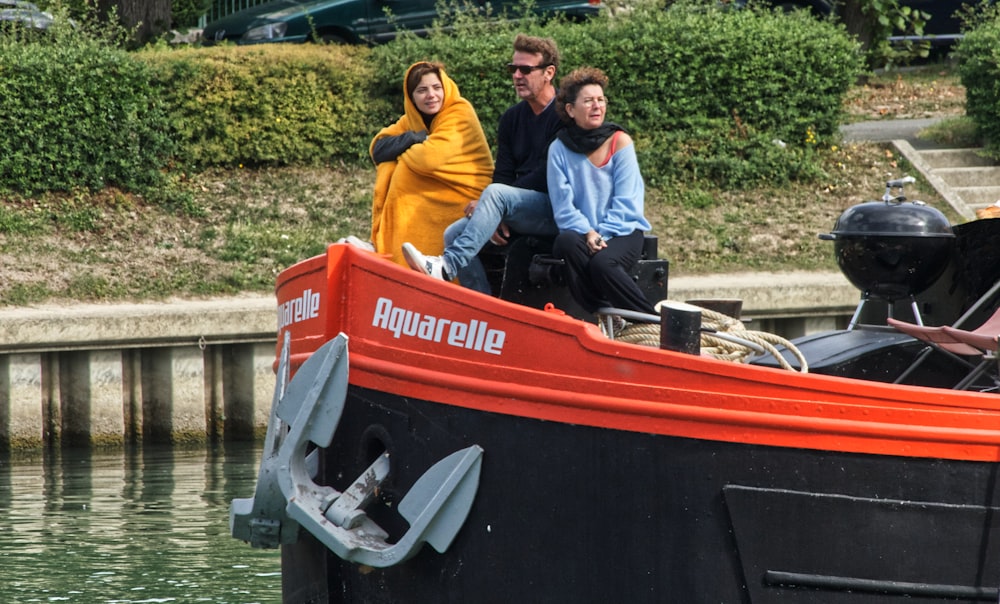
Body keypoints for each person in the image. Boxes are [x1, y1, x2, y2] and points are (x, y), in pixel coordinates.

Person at [402, 34, 563, 292]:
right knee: (453, 233)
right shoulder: (511, 118)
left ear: (549, 72)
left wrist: (499, 205)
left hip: (556, 208)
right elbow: (504, 172)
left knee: (496, 195)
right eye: (513, 69)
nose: (517, 75)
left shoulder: (564, 115)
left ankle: (447, 266)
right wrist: (498, 208)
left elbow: (547, 175)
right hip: (515, 205)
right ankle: (481, 309)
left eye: (525, 69)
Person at [547, 66, 657, 317]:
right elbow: (563, 207)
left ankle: (650, 320)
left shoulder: (620, 141)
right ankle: (601, 311)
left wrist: (602, 235)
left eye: (600, 100)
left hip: (623, 230)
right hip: (585, 233)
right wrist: (588, 232)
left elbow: (628, 202)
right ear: (570, 110)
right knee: (564, 242)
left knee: (603, 263)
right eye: (588, 101)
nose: (597, 106)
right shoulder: (559, 149)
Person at [368, 61, 494, 266]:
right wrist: (413, 138)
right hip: (436, 195)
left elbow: (427, 160)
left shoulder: (460, 112)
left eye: (437, 88)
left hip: (467, 195)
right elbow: (379, 150)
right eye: (422, 90)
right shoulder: (412, 120)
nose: (431, 95)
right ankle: (386, 246)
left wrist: (401, 152)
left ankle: (413, 257)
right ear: (411, 97)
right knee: (389, 166)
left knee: (400, 165)